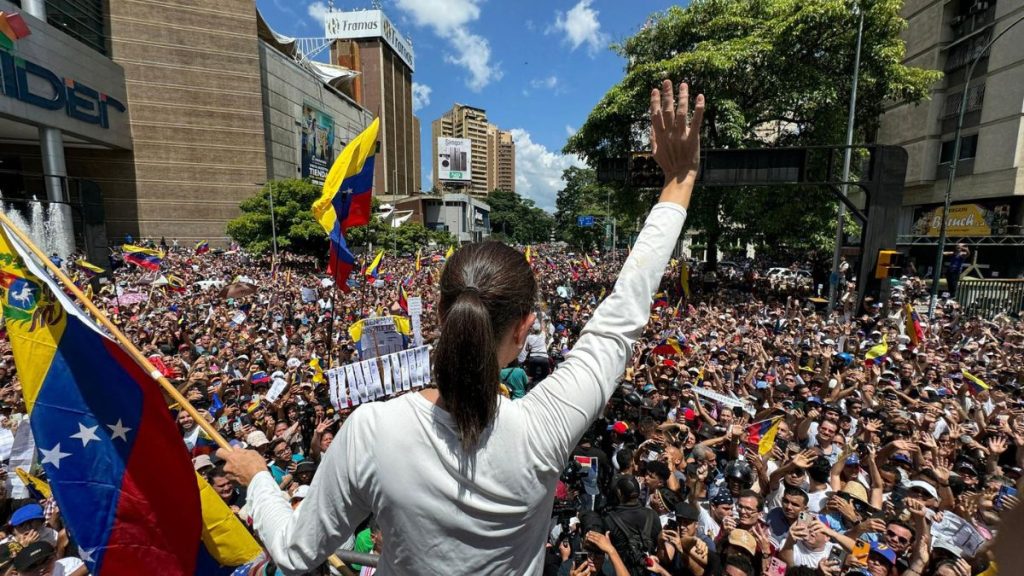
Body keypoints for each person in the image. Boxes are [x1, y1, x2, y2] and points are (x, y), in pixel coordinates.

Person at [217, 80, 704, 574]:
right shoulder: (546, 428)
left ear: (438, 314)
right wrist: (678, 181)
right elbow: (620, 318)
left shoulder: (373, 431)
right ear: (525, 329)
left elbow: (297, 552)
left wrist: (257, 477)